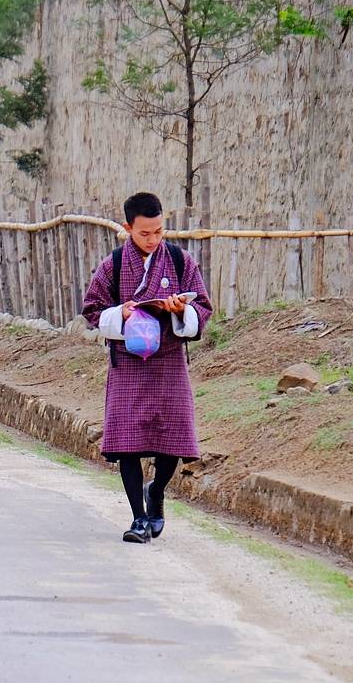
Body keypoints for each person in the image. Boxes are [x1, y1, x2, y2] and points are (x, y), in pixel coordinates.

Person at [82, 192, 213, 543]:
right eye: (145, 234)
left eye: (158, 232)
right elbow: (93, 309)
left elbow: (203, 307)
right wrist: (119, 314)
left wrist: (180, 310)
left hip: (168, 358)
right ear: (128, 228)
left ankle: (156, 493)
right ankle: (139, 518)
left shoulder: (180, 261)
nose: (153, 240)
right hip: (127, 361)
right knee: (127, 442)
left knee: (172, 440)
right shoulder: (112, 265)